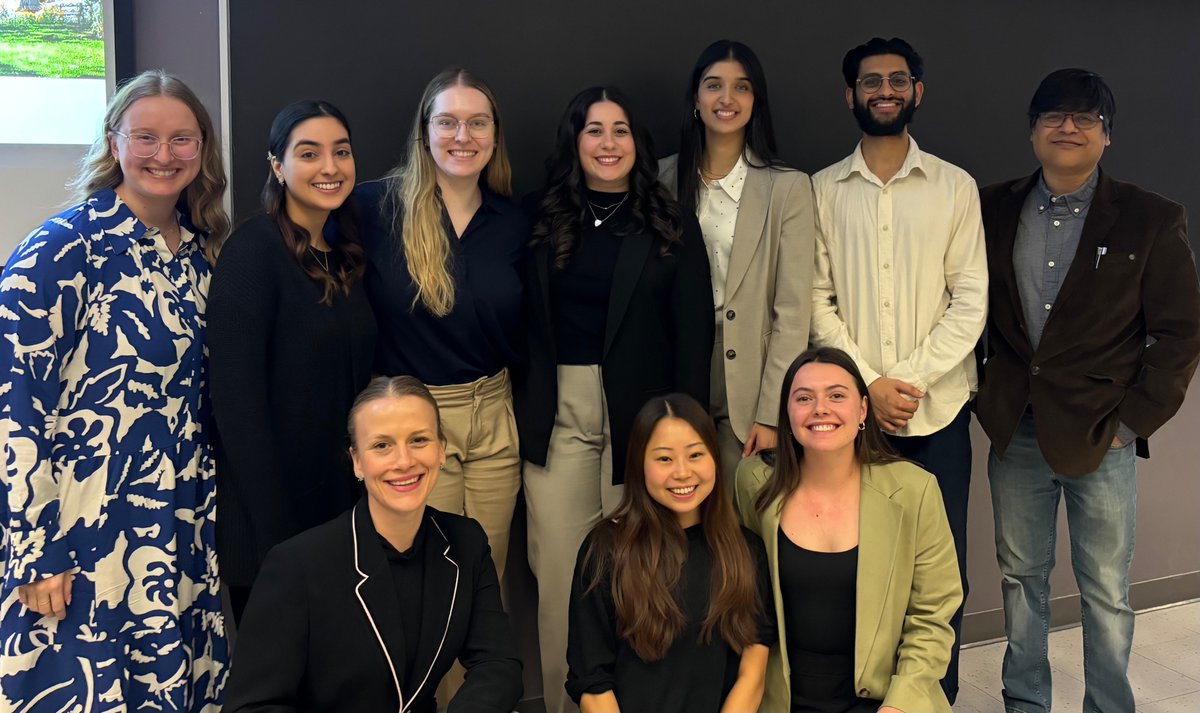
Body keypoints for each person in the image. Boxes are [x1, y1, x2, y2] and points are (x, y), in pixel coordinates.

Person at [0, 70, 228, 708]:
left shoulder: (202, 256)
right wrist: (36, 551)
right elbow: (15, 407)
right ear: (113, 141)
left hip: (177, 521)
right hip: (86, 528)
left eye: (183, 139)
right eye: (146, 137)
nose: (164, 154)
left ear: (203, 149)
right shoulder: (62, 249)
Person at [976, 69, 1200, 713]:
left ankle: (1107, 705)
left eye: (1084, 118)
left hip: (1105, 436)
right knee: (1021, 581)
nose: (1067, 128)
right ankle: (1026, 702)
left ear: (1107, 136)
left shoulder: (1152, 219)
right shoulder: (991, 209)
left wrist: (1132, 424)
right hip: (1015, 431)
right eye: (1053, 116)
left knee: (1104, 589)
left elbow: (1181, 334)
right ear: (1032, 131)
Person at [513, 85, 713, 713]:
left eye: (620, 129)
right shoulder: (538, 219)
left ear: (638, 143)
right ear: (575, 141)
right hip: (559, 414)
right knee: (560, 579)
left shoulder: (670, 221)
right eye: (594, 129)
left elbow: (694, 332)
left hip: (647, 418)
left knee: (647, 573)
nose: (607, 142)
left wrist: (687, 431)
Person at [808, 36, 986, 701]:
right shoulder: (822, 190)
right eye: (869, 81)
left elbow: (970, 300)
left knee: (938, 572)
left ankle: (930, 697)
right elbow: (817, 299)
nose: (884, 89)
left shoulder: (954, 187)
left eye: (897, 79)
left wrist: (901, 382)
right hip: (849, 417)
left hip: (935, 412)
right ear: (849, 94)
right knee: (858, 565)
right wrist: (866, 386)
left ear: (918, 90)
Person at [223, 376, 523, 713]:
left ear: (441, 449)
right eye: (382, 445)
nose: (404, 461)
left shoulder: (466, 542)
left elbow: (498, 665)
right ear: (356, 462)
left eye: (419, 440)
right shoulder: (296, 565)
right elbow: (251, 707)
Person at [353, 68, 526, 586]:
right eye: (447, 122)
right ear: (424, 133)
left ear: (495, 135)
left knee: (485, 575)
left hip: (494, 414)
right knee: (426, 581)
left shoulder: (514, 222)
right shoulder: (374, 208)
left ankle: (483, 674)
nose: (462, 136)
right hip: (414, 420)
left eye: (477, 123)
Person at [209, 99, 376, 623]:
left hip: (338, 511)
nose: (330, 167)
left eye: (341, 152)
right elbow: (236, 407)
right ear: (278, 166)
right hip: (274, 525)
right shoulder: (253, 252)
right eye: (309, 153)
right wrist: (282, 540)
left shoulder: (345, 253)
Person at [736, 347, 962, 713]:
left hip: (886, 700)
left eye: (836, 395)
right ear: (788, 415)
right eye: (804, 398)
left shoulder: (913, 490)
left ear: (862, 411)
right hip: (781, 699)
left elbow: (933, 615)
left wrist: (900, 703)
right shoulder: (754, 483)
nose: (820, 408)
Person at [660, 39, 816, 484]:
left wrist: (773, 412)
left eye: (741, 87)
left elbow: (792, 311)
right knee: (679, 507)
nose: (726, 99)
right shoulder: (660, 179)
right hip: (675, 363)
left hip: (753, 373)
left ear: (755, 101)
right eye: (714, 86)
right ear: (696, 98)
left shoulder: (787, 188)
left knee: (743, 512)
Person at [566, 393, 773, 713]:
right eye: (664, 459)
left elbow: (752, 675)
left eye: (695, 455)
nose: (682, 472)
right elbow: (592, 683)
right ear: (639, 465)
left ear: (714, 459)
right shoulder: (605, 551)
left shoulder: (745, 551)